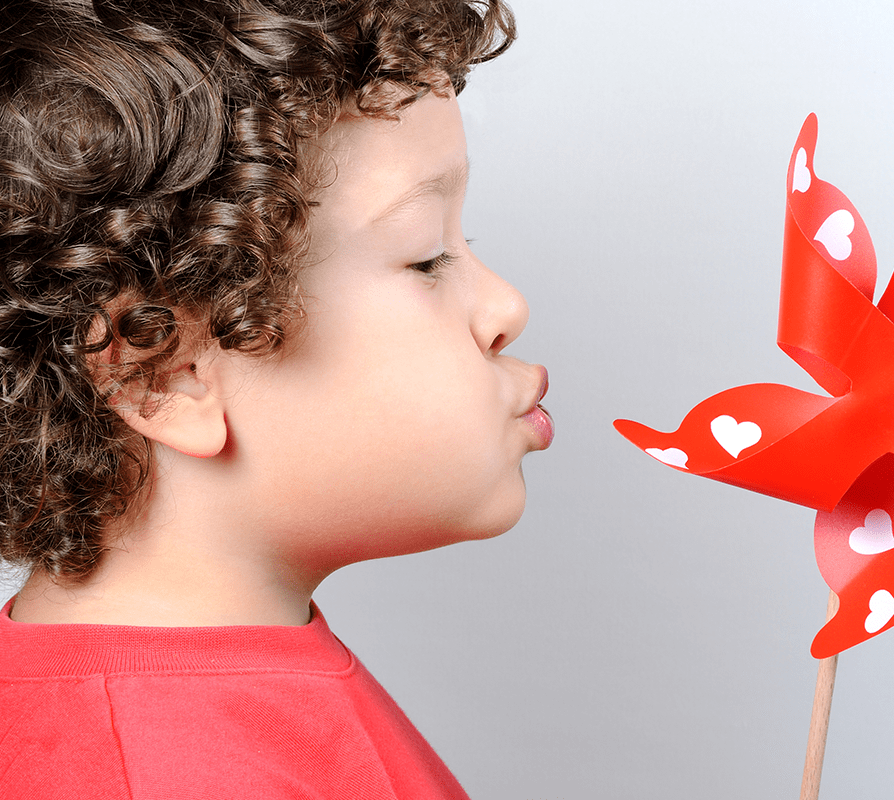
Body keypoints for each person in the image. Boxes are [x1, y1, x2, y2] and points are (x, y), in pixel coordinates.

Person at [0, 1, 549, 796]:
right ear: (165, 370)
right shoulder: (167, 773)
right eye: (428, 257)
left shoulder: (202, 705)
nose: (507, 308)